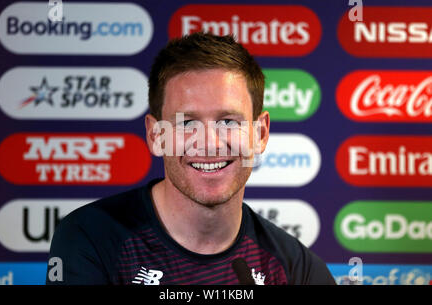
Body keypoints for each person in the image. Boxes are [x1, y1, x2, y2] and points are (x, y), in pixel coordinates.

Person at [46, 32, 336, 285]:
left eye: (228, 122)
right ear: (156, 135)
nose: (209, 144)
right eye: (187, 124)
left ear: (260, 133)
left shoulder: (299, 270)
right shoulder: (91, 238)